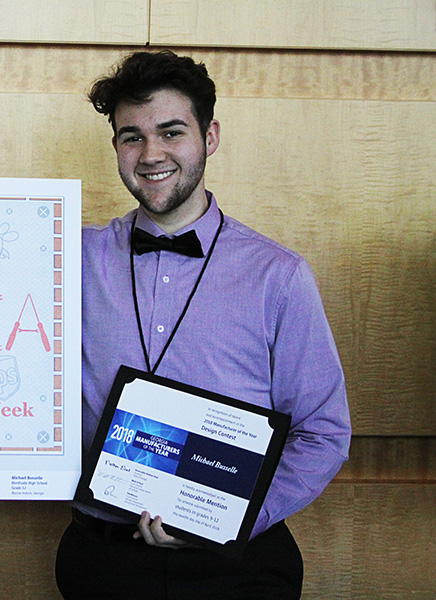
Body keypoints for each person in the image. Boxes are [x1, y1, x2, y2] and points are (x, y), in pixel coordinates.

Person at [55, 50, 351, 599]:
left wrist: (227, 519)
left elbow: (323, 433)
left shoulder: (277, 276)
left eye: (171, 132)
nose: (151, 154)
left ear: (209, 137)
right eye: (131, 136)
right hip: (102, 564)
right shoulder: (66, 257)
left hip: (238, 567)